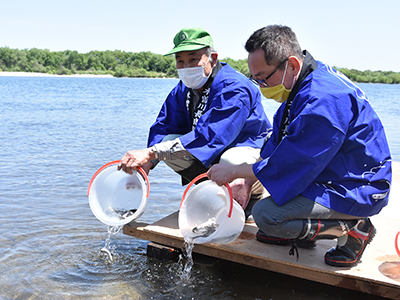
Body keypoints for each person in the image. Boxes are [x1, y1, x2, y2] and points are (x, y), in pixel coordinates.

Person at [207, 25, 392, 267]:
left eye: (263, 77)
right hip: (332, 174)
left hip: (356, 186)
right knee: (269, 205)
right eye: (255, 79)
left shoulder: (323, 99)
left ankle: (356, 228)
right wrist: (247, 181)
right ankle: (304, 231)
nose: (261, 86)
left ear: (292, 65)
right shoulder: (302, 85)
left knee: (267, 216)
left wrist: (234, 172)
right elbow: (277, 147)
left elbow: (292, 163)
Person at [118, 27, 271, 219]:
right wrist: (149, 162)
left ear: (212, 58)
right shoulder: (185, 88)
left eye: (193, 59)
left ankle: (251, 190)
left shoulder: (234, 87)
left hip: (246, 151)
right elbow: (165, 126)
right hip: (212, 152)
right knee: (166, 142)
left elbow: (212, 136)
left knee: (230, 160)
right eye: (180, 61)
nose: (186, 66)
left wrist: (150, 153)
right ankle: (213, 193)